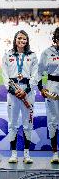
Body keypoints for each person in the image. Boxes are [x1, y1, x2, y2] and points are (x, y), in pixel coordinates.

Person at [2, 30, 38, 164]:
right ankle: (14, 154)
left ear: (27, 41)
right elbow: (5, 75)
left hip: (27, 93)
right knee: (13, 124)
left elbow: (35, 75)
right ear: (15, 39)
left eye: (24, 39)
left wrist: (27, 90)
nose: (21, 41)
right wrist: (12, 90)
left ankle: (27, 155)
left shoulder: (32, 56)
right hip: (13, 93)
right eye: (19, 38)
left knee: (28, 124)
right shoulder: (8, 54)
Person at [38, 27, 59, 164]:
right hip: (52, 87)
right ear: (55, 38)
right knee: (53, 120)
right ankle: (55, 153)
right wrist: (41, 88)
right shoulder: (47, 52)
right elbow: (39, 71)